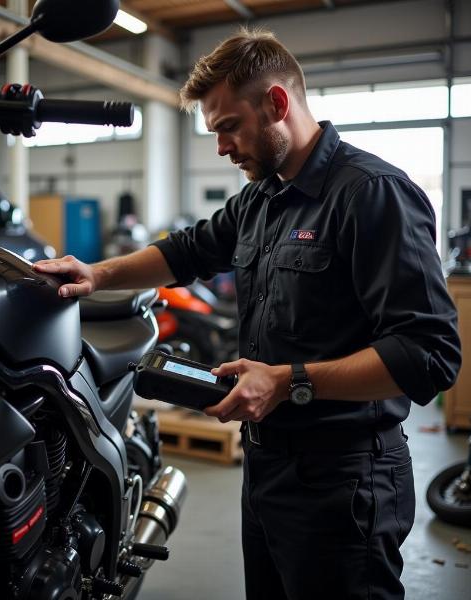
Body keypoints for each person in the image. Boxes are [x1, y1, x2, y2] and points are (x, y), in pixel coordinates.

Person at [34, 28, 461, 600]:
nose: (220, 147)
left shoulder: (371, 194)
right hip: (266, 470)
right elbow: (186, 251)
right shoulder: (262, 197)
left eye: (228, 127)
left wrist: (289, 382)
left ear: (277, 104)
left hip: (344, 481)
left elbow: (429, 355)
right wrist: (98, 275)